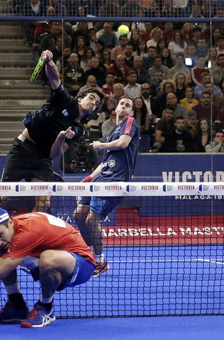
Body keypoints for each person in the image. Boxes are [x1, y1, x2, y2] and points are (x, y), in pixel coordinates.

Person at [0, 50, 104, 212]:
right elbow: (54, 78)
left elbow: (53, 155)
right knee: (3, 197)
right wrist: (48, 61)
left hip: (42, 158)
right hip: (22, 150)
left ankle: (34, 235)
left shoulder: (77, 130)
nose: (93, 103)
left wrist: (61, 138)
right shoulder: (64, 99)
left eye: (96, 103)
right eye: (91, 98)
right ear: (80, 98)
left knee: (44, 203)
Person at [73, 96, 139, 277]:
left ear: (131, 112)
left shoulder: (130, 123)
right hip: (100, 180)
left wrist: (101, 145)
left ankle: (100, 260)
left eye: (128, 105)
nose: (124, 107)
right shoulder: (113, 131)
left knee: (91, 220)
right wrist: (89, 178)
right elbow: (106, 162)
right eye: (122, 104)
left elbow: (123, 143)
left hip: (115, 181)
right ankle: (88, 253)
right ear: (115, 109)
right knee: (79, 215)